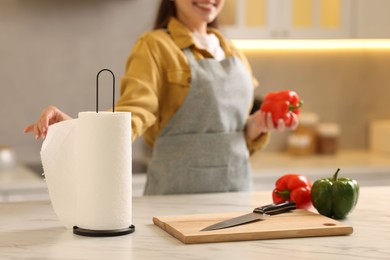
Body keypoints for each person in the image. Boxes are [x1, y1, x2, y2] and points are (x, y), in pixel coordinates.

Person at [24, 0, 298, 195]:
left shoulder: (233, 52)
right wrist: (75, 128)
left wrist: (257, 125)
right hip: (175, 198)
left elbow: (234, 131)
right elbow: (135, 111)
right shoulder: (155, 46)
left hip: (236, 196)